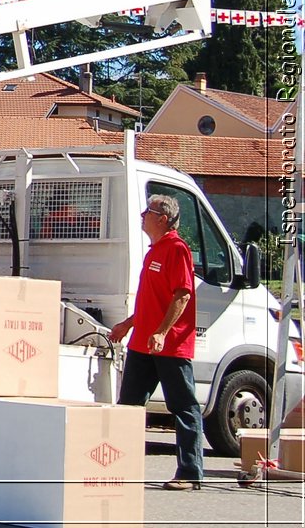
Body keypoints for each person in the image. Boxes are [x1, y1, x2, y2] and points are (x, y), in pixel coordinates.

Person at [109, 194, 203, 490]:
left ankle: (190, 473)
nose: (142, 215)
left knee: (183, 407)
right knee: (128, 406)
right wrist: (128, 324)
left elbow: (182, 295)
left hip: (170, 345)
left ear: (162, 219)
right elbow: (153, 301)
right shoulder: (154, 251)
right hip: (142, 343)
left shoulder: (176, 250)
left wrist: (162, 333)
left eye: (147, 212)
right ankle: (119, 468)